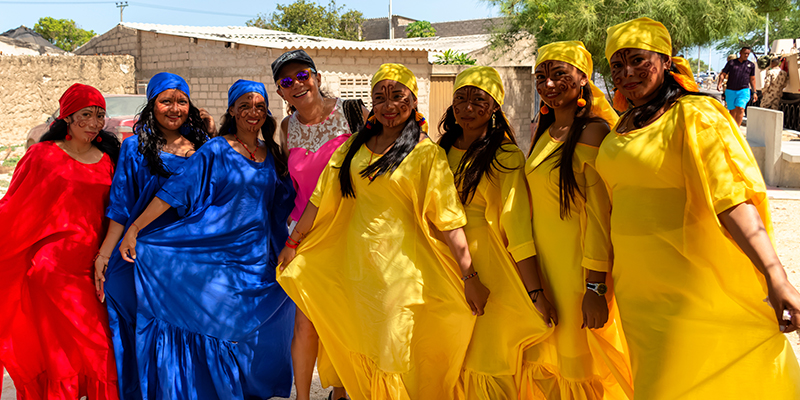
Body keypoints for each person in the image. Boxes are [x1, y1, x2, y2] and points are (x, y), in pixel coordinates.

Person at [601, 17, 800, 399]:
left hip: (687, 286)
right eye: (617, 65)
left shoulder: (694, 115)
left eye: (638, 61)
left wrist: (776, 275)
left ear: (665, 60)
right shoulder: (623, 123)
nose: (627, 73)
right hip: (637, 290)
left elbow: (731, 199)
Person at [277, 63, 490, 400]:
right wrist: (293, 242)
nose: (389, 105)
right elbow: (320, 199)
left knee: (392, 353)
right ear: (371, 103)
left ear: (413, 99)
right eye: (380, 97)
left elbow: (449, 220)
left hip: (401, 277)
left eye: (398, 96)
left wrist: (469, 276)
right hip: (358, 270)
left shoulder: (426, 154)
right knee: (364, 345)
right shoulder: (354, 148)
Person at [117, 79, 296, 399]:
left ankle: (244, 388)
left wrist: (285, 245)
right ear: (232, 110)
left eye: (259, 106)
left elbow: (278, 206)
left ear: (267, 112)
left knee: (253, 328)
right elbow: (174, 191)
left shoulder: (271, 154)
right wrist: (135, 229)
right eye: (244, 106)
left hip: (254, 258)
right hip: (214, 254)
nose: (252, 113)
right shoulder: (215, 149)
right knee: (220, 326)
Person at [437, 66, 554, 400]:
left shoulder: (505, 156)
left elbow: (516, 227)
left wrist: (534, 292)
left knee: (486, 359)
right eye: (461, 99)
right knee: (452, 358)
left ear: (494, 108)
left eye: (479, 99)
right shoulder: (436, 152)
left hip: (488, 268)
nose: (468, 107)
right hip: (442, 264)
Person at [524, 41, 633, 400]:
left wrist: (595, 287)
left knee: (578, 369)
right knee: (552, 364)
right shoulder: (545, 131)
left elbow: (600, 217)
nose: (549, 84)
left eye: (559, 75)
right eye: (541, 76)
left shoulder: (593, 133)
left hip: (576, 274)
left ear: (583, 78)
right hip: (545, 269)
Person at [93, 72, 210, 400]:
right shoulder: (134, 148)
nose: (175, 108)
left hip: (186, 262)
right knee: (143, 333)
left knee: (183, 334)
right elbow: (120, 206)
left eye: (181, 101)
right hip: (138, 258)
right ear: (152, 105)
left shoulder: (205, 150)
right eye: (166, 101)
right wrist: (104, 254)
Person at [0, 83, 121, 398]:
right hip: (52, 271)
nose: (95, 123)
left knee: (101, 356)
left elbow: (116, 212)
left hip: (94, 267)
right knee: (62, 358)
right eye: (86, 115)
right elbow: (15, 205)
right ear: (67, 117)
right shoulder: (42, 155)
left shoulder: (108, 159)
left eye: (100, 115)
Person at [271, 49, 367, 400]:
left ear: (317, 77)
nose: (296, 84)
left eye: (302, 76)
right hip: (303, 233)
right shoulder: (287, 127)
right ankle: (303, 397)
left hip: (348, 228)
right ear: (280, 93)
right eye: (286, 81)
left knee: (346, 315)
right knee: (306, 321)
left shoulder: (352, 113)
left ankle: (343, 390)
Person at [717, 46, 757, 126]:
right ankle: (732, 127)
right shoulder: (731, 63)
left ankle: (737, 128)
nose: (746, 55)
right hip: (731, 90)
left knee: (741, 108)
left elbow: (752, 79)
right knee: (732, 111)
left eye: (748, 54)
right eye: (745, 53)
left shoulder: (751, 65)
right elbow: (723, 74)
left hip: (744, 90)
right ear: (740, 53)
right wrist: (719, 83)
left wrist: (754, 92)